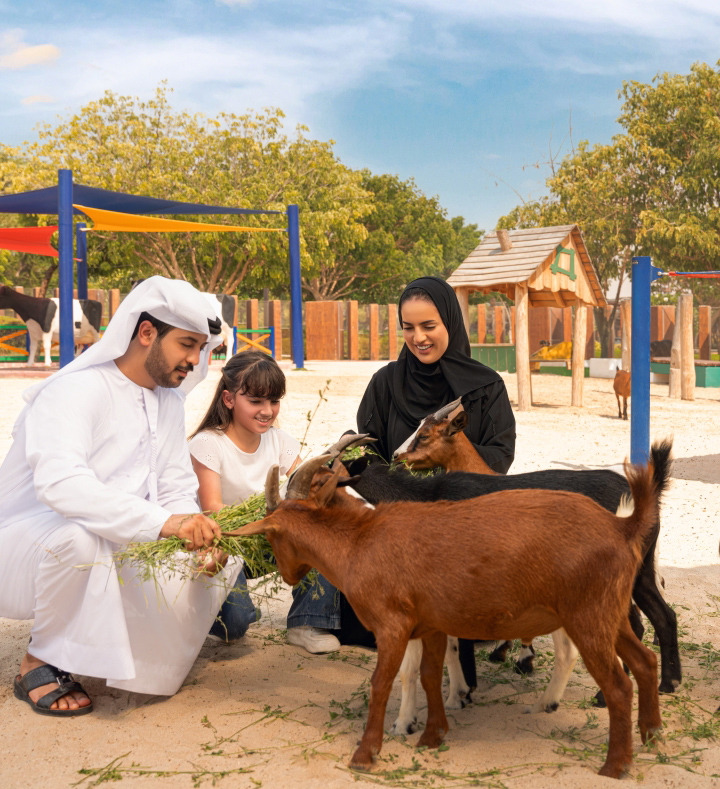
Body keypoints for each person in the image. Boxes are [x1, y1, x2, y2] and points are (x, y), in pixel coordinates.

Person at [0, 276, 242, 716]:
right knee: (82, 538)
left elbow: (172, 486)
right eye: (187, 344)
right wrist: (166, 524)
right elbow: (61, 484)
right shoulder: (75, 391)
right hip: (26, 546)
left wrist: (195, 532)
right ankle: (39, 660)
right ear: (146, 332)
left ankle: (111, 648)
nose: (195, 360)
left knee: (223, 583)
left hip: (114, 535)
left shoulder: (167, 402)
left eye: (202, 348)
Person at [286, 276, 516, 653]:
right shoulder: (386, 382)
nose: (418, 337)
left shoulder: (485, 388)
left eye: (429, 326)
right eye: (408, 327)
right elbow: (369, 448)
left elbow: (499, 455)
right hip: (395, 516)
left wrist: (437, 466)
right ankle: (312, 617)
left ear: (450, 324)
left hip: (458, 515)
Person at [189, 351, 300, 641]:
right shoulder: (207, 444)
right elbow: (213, 509)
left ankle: (309, 619)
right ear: (228, 399)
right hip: (228, 544)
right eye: (255, 401)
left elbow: (303, 491)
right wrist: (271, 518)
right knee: (235, 628)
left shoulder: (281, 441)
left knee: (322, 529)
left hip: (268, 541)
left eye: (274, 401)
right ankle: (223, 614)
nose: (267, 410)